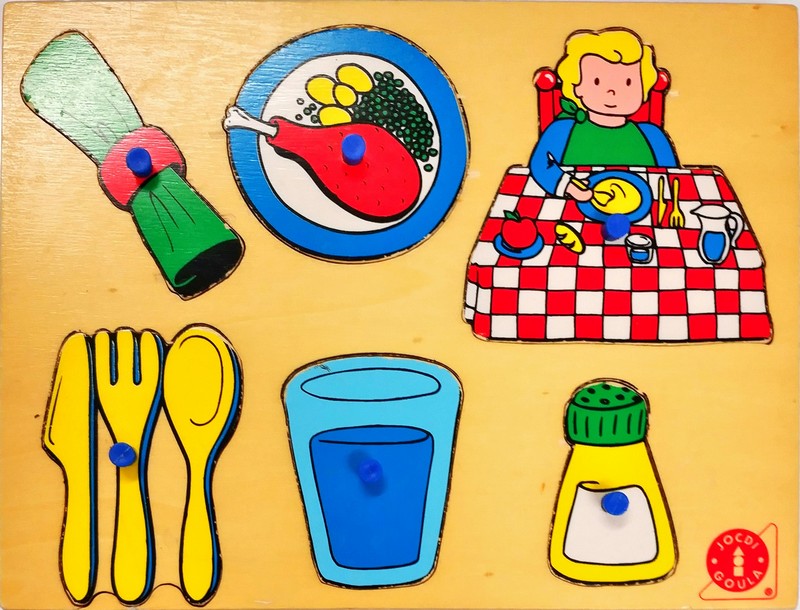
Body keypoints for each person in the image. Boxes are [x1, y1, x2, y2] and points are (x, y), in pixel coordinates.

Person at [529, 27, 678, 201]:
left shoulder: (652, 136)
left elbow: (672, 178)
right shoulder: (562, 130)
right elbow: (540, 165)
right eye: (597, 81)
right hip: (572, 205)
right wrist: (570, 187)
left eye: (628, 82)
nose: (612, 92)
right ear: (576, 86)